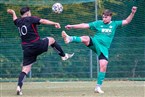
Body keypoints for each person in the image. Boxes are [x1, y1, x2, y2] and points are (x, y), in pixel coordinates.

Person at [62, 6, 137, 94]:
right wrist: (72, 26)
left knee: (103, 65)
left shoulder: (115, 24)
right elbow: (84, 25)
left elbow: (127, 21)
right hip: (95, 43)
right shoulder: (98, 23)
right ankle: (69, 39)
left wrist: (132, 12)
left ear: (110, 17)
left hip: (104, 48)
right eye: (103, 17)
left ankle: (98, 87)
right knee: (86, 38)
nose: (104, 19)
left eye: (106, 17)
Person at [7, 7, 74, 95]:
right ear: (27, 13)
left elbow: (15, 20)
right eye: (29, 13)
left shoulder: (19, 22)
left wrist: (13, 13)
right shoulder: (31, 19)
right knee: (52, 40)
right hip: (37, 45)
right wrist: (54, 23)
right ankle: (63, 56)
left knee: (25, 69)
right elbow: (43, 21)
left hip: (27, 49)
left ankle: (19, 87)